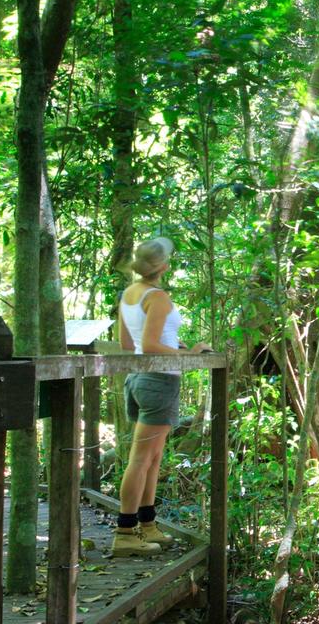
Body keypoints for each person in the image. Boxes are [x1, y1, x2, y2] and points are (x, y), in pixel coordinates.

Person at [113, 237, 209, 557]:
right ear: (164, 267)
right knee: (142, 459)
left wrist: (175, 347)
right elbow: (152, 345)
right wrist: (191, 352)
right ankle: (125, 532)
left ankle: (147, 524)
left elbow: (130, 344)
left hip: (138, 377)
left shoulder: (129, 294)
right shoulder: (160, 298)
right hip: (158, 380)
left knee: (152, 459)